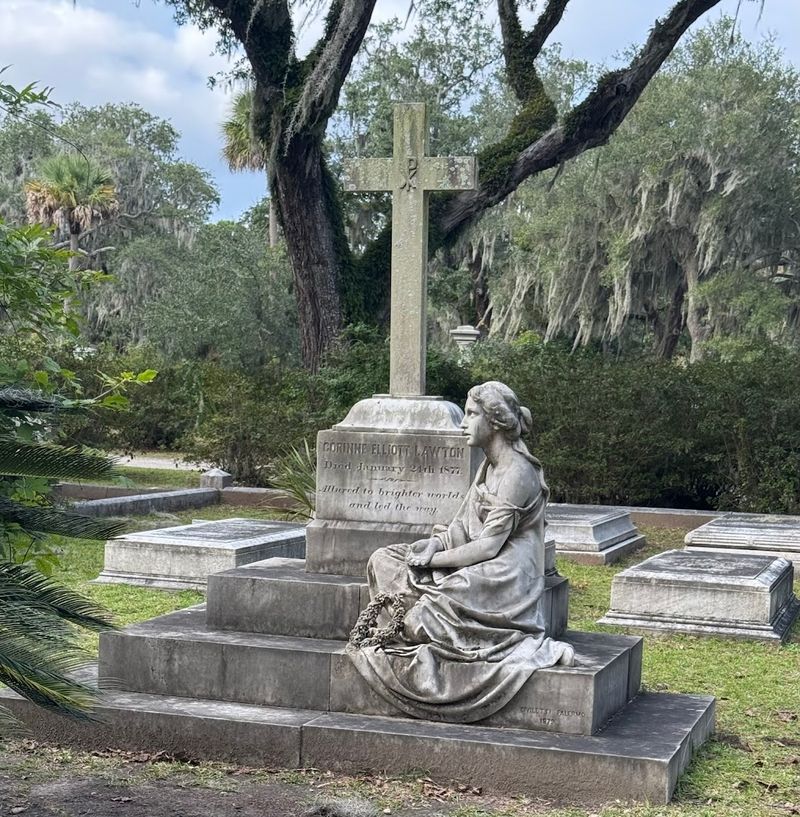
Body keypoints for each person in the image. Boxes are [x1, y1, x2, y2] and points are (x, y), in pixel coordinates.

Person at [347, 381, 575, 724]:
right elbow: (460, 527)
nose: (462, 423)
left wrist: (432, 561)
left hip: (509, 571)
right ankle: (411, 620)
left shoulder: (518, 472)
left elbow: (489, 545)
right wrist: (434, 545)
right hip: (475, 555)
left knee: (452, 590)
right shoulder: (489, 466)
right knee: (384, 559)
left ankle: (418, 622)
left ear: (495, 421)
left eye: (470, 414)